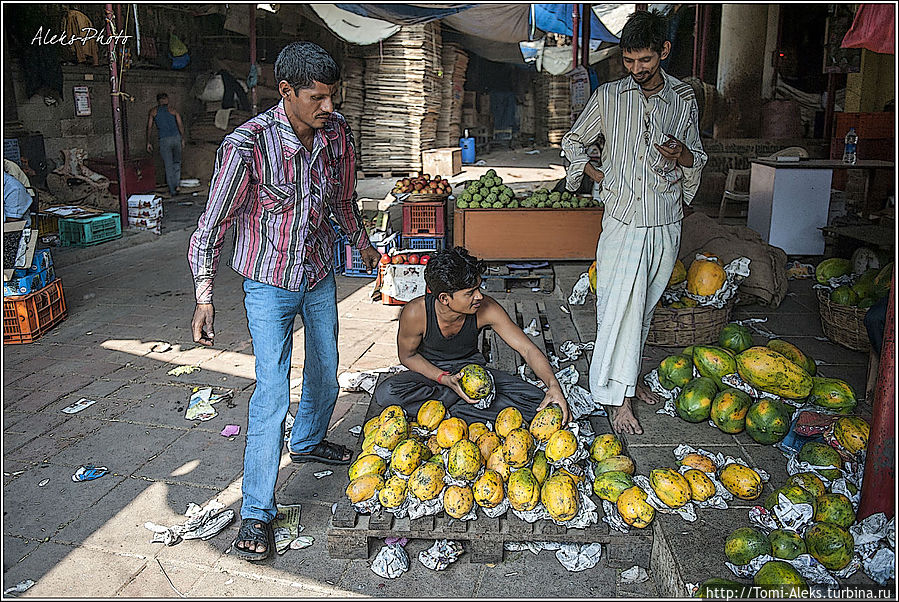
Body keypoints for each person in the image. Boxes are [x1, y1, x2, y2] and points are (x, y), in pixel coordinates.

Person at [187, 41, 381, 562]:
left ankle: (310, 438)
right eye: (316, 98)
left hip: (317, 272)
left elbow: (342, 199)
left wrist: (364, 244)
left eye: (331, 97)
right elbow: (211, 227)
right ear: (286, 91)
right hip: (267, 282)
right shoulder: (245, 146)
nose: (328, 108)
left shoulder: (336, 134)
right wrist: (204, 296)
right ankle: (256, 510)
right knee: (272, 391)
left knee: (326, 367)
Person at [561, 9, 707, 435]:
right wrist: (596, 173)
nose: (636, 70)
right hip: (623, 221)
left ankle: (629, 379)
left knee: (642, 310)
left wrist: (682, 155)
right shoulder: (609, 97)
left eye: (644, 60)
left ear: (663, 52)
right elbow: (574, 141)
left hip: (665, 220)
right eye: (628, 61)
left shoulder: (683, 99)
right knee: (615, 309)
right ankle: (615, 398)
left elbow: (696, 157)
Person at [373, 246, 570, 426]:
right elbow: (408, 356)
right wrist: (444, 379)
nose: (479, 296)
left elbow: (526, 349)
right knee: (387, 393)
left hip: (472, 374)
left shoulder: (487, 308)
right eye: (470, 293)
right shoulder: (416, 313)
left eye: (478, 288)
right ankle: (469, 408)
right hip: (431, 374)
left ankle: (453, 409)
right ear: (444, 298)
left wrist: (553, 385)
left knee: (535, 398)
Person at [146, 93, 186, 197]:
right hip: (176, 138)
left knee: (168, 165)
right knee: (177, 162)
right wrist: (182, 138)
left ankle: (172, 190)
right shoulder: (173, 110)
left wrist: (148, 142)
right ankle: (177, 185)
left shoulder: (153, 112)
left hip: (164, 140)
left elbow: (149, 128)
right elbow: (180, 124)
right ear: (166, 100)